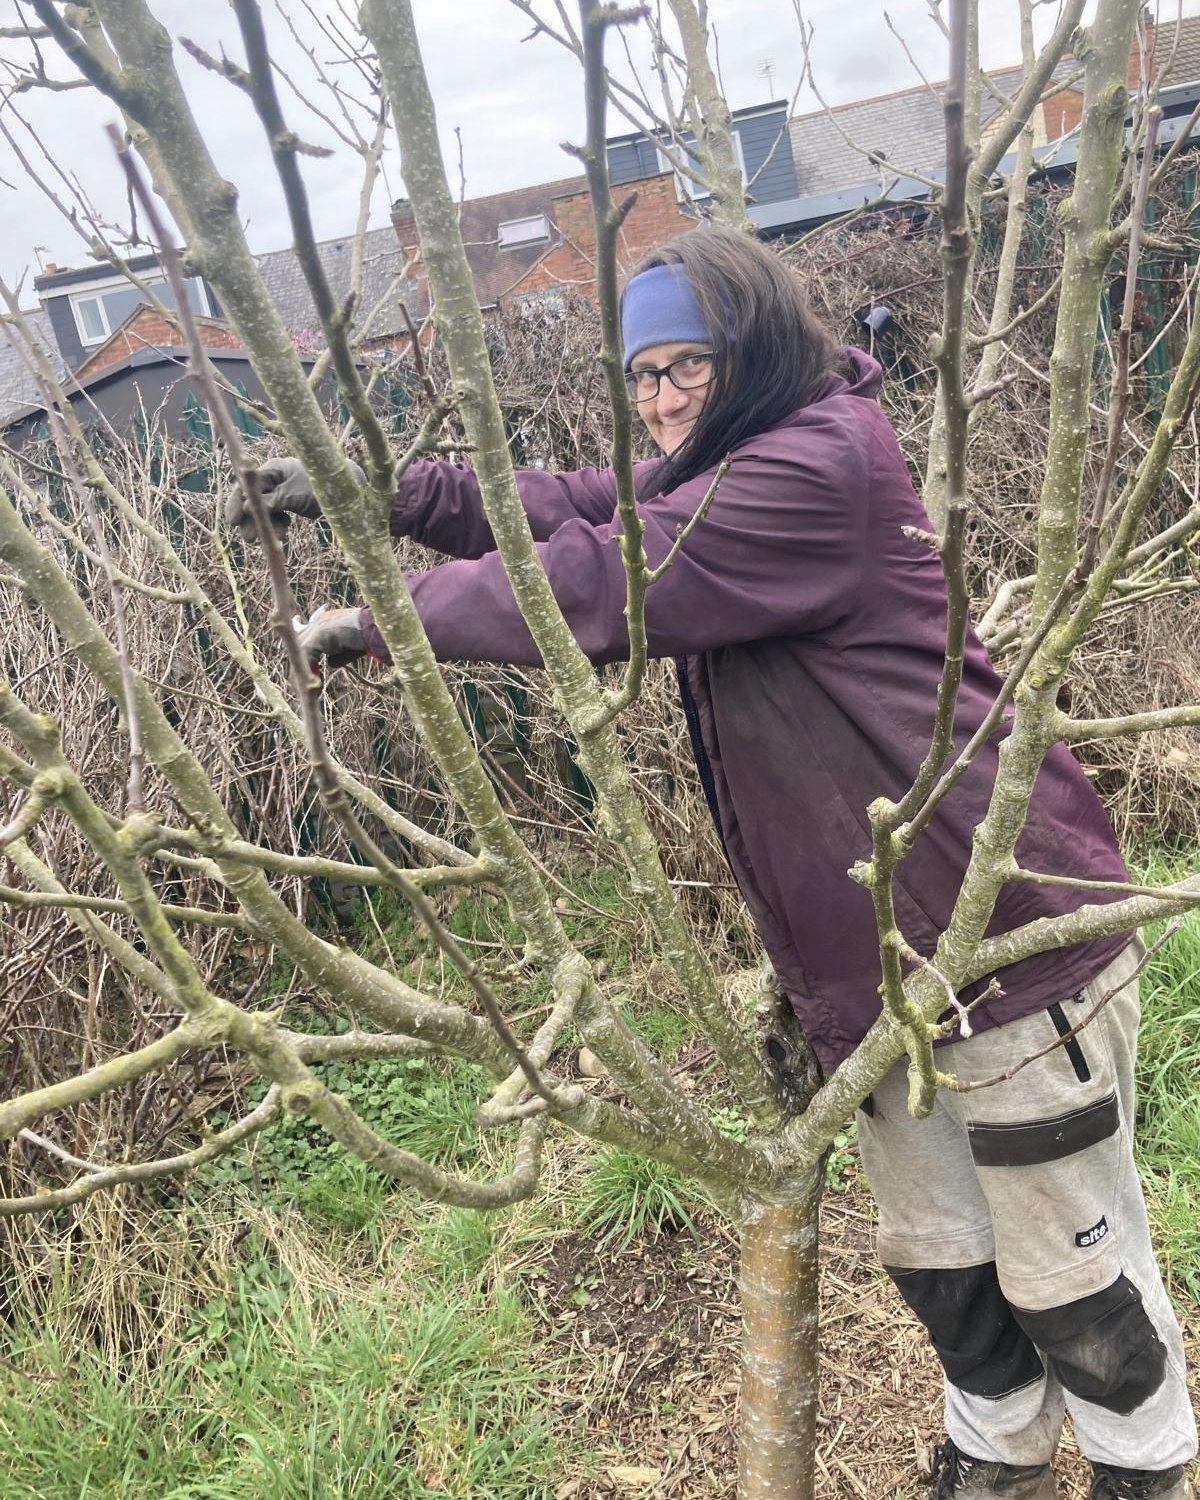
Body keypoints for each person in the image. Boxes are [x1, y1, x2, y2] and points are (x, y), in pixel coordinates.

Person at [240, 225, 1196, 1500]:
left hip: (1004, 939)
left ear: (753, 350)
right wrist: (391, 494)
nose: (662, 397)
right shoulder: (739, 460)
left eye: (688, 363)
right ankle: (998, 1461)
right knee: (944, 1263)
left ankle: (1144, 1471)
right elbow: (577, 508)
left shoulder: (817, 469)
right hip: (881, 974)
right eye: (642, 375)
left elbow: (609, 573)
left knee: (1073, 1276)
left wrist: (385, 624)